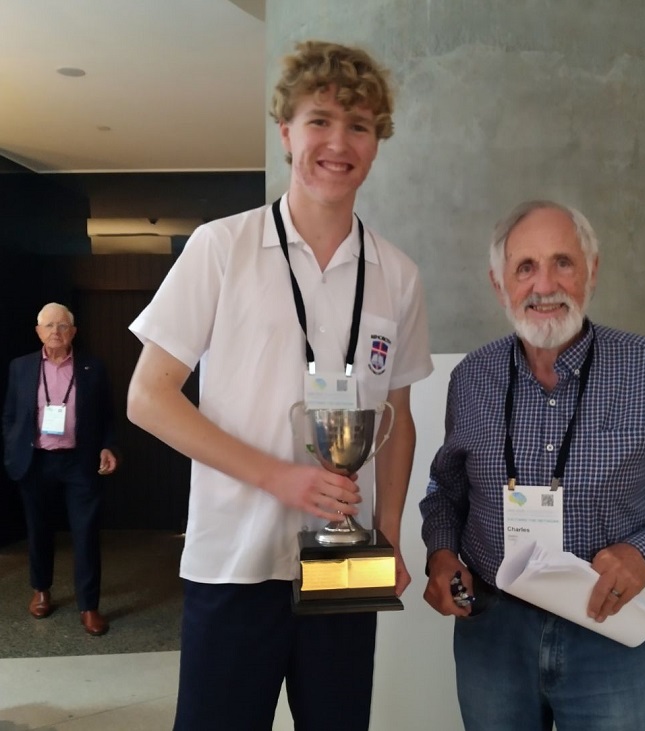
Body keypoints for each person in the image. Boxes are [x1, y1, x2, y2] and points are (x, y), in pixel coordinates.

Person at [127, 40, 432, 731]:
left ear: (377, 142)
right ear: (286, 131)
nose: (338, 143)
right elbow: (148, 397)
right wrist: (280, 478)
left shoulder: (399, 274)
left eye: (359, 125)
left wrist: (387, 534)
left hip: (346, 557)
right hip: (235, 559)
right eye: (319, 120)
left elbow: (398, 417)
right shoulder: (222, 247)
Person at [420, 200, 645, 731]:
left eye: (563, 262)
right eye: (525, 267)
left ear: (591, 271)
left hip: (609, 626)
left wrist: (642, 555)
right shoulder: (471, 379)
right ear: (499, 284)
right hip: (493, 632)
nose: (544, 285)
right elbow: (446, 491)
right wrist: (440, 555)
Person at [2, 302, 118, 636]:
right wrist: (12, 445)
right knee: (38, 530)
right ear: (38, 331)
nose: (56, 331)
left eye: (63, 325)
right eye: (49, 325)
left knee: (86, 534)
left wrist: (109, 446)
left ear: (73, 331)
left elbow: (108, 415)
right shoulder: (21, 367)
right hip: (35, 461)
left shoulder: (93, 368)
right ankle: (41, 590)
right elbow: (10, 414)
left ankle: (89, 606)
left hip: (79, 462)